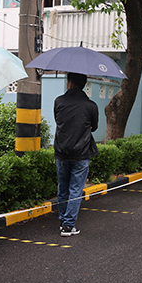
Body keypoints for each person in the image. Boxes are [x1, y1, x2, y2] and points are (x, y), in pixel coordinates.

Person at [54, 72, 99, 237]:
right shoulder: (91, 106)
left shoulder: (58, 101)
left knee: (63, 188)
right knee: (75, 190)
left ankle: (62, 221)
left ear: (70, 82)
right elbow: (94, 127)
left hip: (61, 152)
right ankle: (68, 226)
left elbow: (58, 121)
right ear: (84, 84)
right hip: (81, 154)